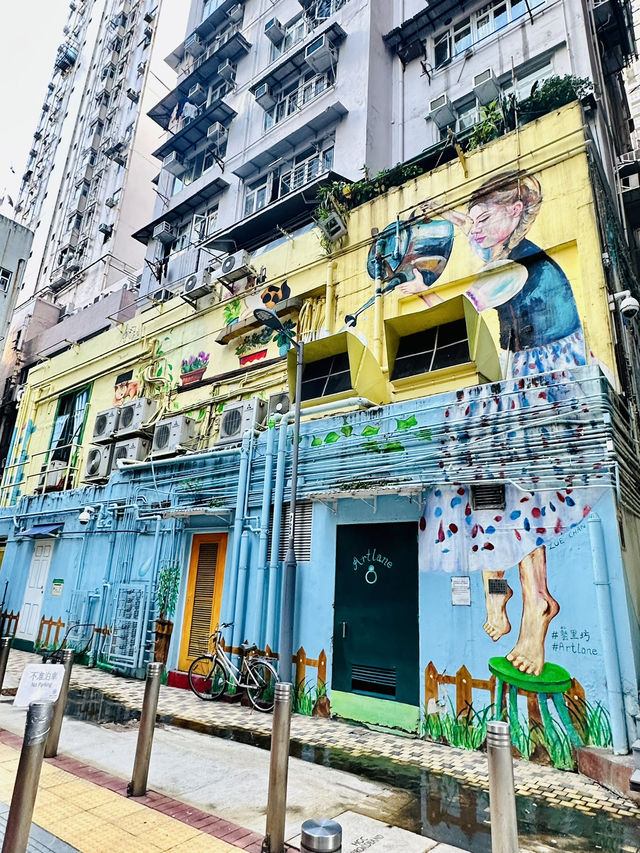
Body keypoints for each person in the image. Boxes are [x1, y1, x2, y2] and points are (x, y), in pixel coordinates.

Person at [410, 171, 586, 377]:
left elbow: (459, 317)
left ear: (515, 210)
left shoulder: (510, 270)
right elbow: (466, 224)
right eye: (475, 221)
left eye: (484, 219)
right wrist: (439, 209)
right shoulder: (506, 247)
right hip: (553, 354)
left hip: (543, 365)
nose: (476, 229)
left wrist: (422, 290)